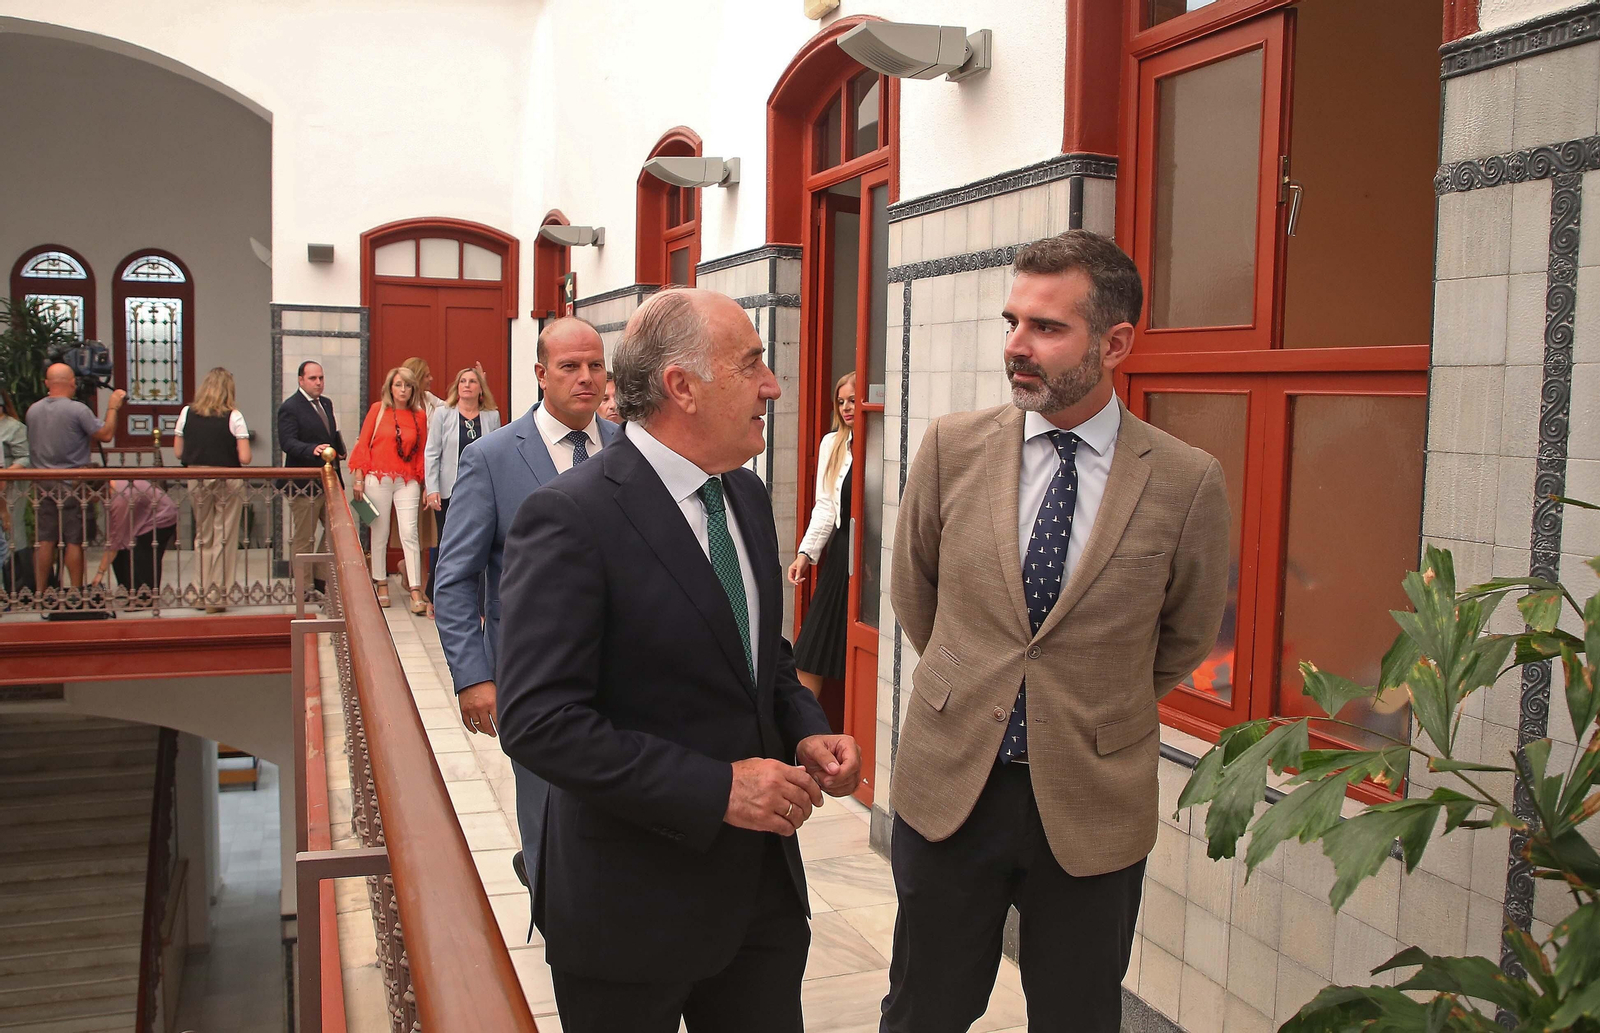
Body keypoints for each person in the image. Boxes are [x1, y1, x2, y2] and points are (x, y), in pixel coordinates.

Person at [881, 231, 1231, 1033]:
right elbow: (916, 594)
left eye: (1046, 328)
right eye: (1013, 322)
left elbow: (1183, 636)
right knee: (921, 1009)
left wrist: (1086, 700)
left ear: (1114, 343)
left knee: (1077, 1016)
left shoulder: (1185, 480)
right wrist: (980, 682)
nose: (1016, 347)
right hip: (952, 789)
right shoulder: (952, 448)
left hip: (1089, 803)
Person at [495, 288, 862, 1033]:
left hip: (759, 904)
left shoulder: (749, 496)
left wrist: (804, 727)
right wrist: (716, 788)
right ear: (682, 387)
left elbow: (762, 658)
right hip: (629, 913)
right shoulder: (571, 517)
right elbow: (537, 721)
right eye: (752, 364)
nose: (774, 386)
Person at [432, 316, 618, 905]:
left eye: (595, 366)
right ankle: (552, 909)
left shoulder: (626, 446)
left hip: (621, 672)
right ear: (540, 374)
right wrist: (474, 676)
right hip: (532, 679)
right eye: (569, 367)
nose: (585, 379)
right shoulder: (492, 458)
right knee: (546, 812)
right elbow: (456, 578)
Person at [786, 371, 856, 698]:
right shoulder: (833, 443)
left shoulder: (878, 441)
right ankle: (804, 733)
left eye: (853, 401)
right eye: (841, 402)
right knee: (812, 648)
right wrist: (805, 554)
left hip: (870, 556)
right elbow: (825, 505)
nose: (846, 408)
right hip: (841, 551)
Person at [27, 363, 126, 594]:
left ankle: (40, 592)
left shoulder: (32, 410)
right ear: (73, 382)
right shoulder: (77, 410)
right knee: (74, 539)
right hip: (72, 482)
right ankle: (76, 590)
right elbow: (106, 434)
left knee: (45, 540)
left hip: (42, 482)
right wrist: (112, 408)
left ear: (46, 384)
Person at [424, 364, 501, 611]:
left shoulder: (491, 415)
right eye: (462, 382)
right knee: (447, 543)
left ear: (481, 389)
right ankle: (436, 598)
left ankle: (478, 603)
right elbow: (432, 452)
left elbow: (497, 453)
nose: (466, 385)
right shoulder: (444, 413)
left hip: (481, 490)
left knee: (479, 543)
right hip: (448, 490)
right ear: (457, 389)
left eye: (472, 381)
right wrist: (432, 487)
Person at [350, 366, 428, 613]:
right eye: (398, 385)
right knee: (380, 532)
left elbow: (424, 451)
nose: (402, 390)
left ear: (413, 388)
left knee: (410, 532)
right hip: (377, 478)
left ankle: (415, 588)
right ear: (390, 388)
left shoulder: (419, 415)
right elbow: (363, 444)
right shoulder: (378, 410)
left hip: (408, 480)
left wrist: (424, 482)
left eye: (407, 385)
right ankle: (381, 581)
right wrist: (359, 478)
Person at [175, 367, 252, 612]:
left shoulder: (187, 412)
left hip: (196, 476)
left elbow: (178, 452)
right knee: (224, 536)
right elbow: (245, 456)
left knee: (203, 535)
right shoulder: (234, 416)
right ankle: (216, 595)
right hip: (226, 477)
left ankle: (199, 591)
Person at [278, 361, 347, 592]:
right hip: (304, 483)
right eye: (313, 378)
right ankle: (303, 586)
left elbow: (329, 433)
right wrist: (312, 449)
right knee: (304, 536)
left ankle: (319, 576)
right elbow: (287, 442)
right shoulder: (291, 407)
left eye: (321, 378)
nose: (318, 382)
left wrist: (339, 448)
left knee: (336, 531)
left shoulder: (326, 403)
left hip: (329, 479)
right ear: (301, 380)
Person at [91, 479, 179, 606]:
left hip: (161, 517)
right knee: (123, 549)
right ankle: (129, 588)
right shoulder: (114, 488)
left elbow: (116, 539)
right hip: (145, 516)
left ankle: (144, 596)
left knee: (143, 553)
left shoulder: (121, 497)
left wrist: (100, 573)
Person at [0, 389, 29, 591]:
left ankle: (16, 586)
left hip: (10, 486)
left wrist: (7, 473)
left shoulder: (14, 427)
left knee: (11, 531)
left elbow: (25, 457)